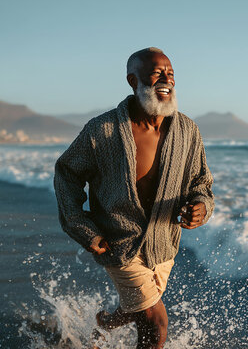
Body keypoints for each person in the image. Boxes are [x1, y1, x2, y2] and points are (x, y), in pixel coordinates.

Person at [54, 47, 214, 349]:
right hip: (118, 243)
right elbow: (67, 172)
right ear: (133, 80)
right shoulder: (103, 130)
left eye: (171, 73)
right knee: (156, 323)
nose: (166, 79)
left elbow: (201, 183)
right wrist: (82, 228)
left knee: (138, 311)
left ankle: (105, 322)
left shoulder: (187, 131)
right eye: (157, 73)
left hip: (164, 244)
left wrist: (201, 207)